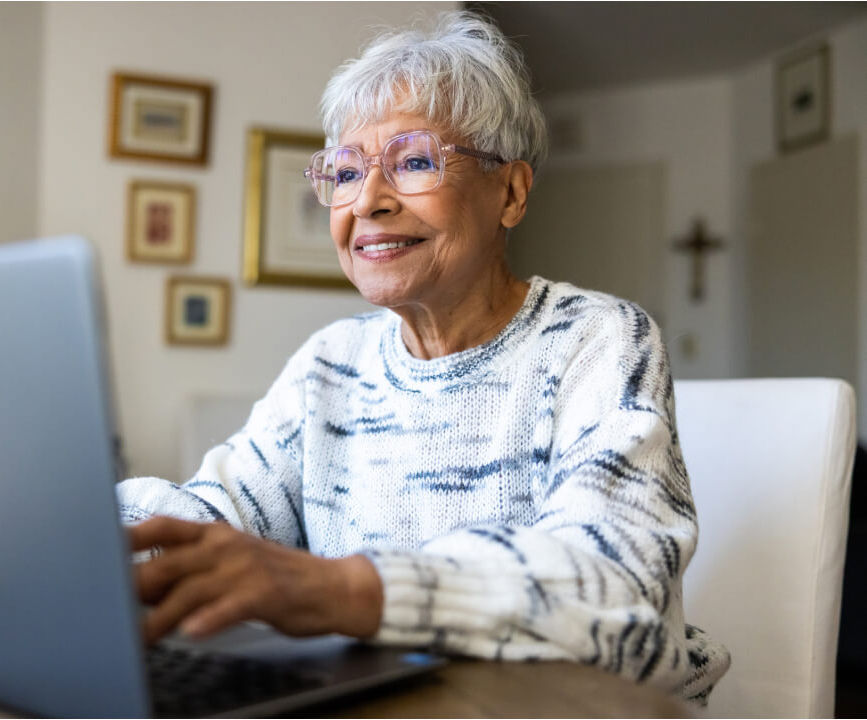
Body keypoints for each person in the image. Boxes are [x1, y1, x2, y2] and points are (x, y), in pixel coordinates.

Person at [118, 11, 730, 703]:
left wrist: (349, 588)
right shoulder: (333, 363)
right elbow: (211, 517)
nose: (369, 202)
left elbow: (617, 584)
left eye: (413, 162)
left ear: (511, 191)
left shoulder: (597, 340)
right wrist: (89, 532)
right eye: (346, 172)